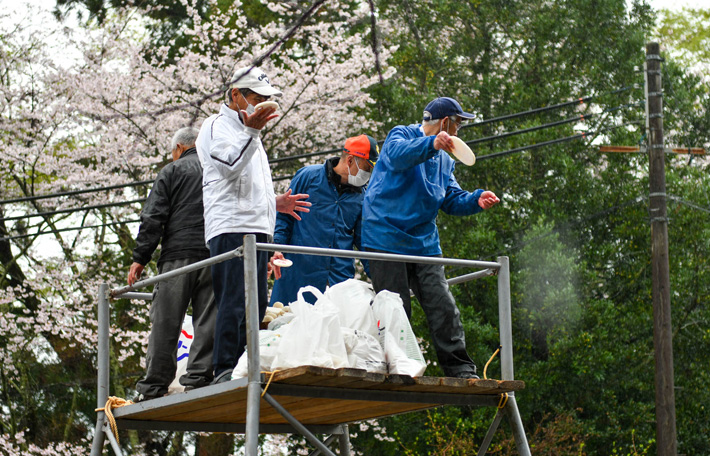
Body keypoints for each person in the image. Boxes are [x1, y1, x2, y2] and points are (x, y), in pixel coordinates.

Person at [362, 97, 500, 379]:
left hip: (423, 242)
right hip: (384, 236)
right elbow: (398, 155)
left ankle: (460, 369)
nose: (459, 130)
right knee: (395, 308)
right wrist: (432, 144)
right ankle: (398, 368)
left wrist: (476, 200)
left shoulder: (444, 161)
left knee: (443, 306)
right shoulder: (401, 134)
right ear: (445, 122)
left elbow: (450, 198)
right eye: (458, 123)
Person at [196, 66, 311, 383]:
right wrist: (252, 133)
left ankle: (246, 365)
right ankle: (224, 370)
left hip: (257, 228)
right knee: (233, 300)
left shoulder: (249, 134)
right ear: (235, 95)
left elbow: (245, 187)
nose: (262, 104)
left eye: (266, 99)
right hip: (231, 228)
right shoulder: (216, 126)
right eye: (257, 97)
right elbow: (229, 167)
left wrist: (276, 202)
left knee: (257, 304)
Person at [129, 127, 216, 401]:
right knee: (208, 319)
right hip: (215, 254)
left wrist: (140, 258)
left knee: (166, 320)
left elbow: (153, 217)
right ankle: (200, 378)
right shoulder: (218, 169)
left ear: (179, 148)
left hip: (178, 256)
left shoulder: (172, 171)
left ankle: (154, 386)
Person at [269, 134, 379, 305]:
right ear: (350, 160)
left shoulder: (361, 196)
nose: (368, 174)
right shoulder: (308, 177)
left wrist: (380, 278)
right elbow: (284, 217)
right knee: (285, 325)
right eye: (366, 168)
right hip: (298, 274)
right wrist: (277, 248)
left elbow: (363, 241)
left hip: (338, 281)